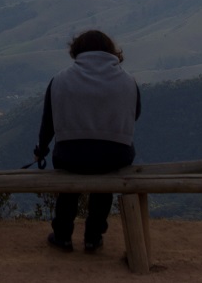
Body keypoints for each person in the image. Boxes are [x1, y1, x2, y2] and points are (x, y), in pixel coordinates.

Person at [33, 29, 141, 253]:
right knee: (105, 181)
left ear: (77, 50)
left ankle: (62, 235)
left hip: (70, 156)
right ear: (111, 50)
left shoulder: (60, 80)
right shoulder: (128, 81)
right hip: (115, 156)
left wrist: (41, 150)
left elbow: (48, 124)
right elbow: (135, 114)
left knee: (68, 183)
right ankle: (93, 236)